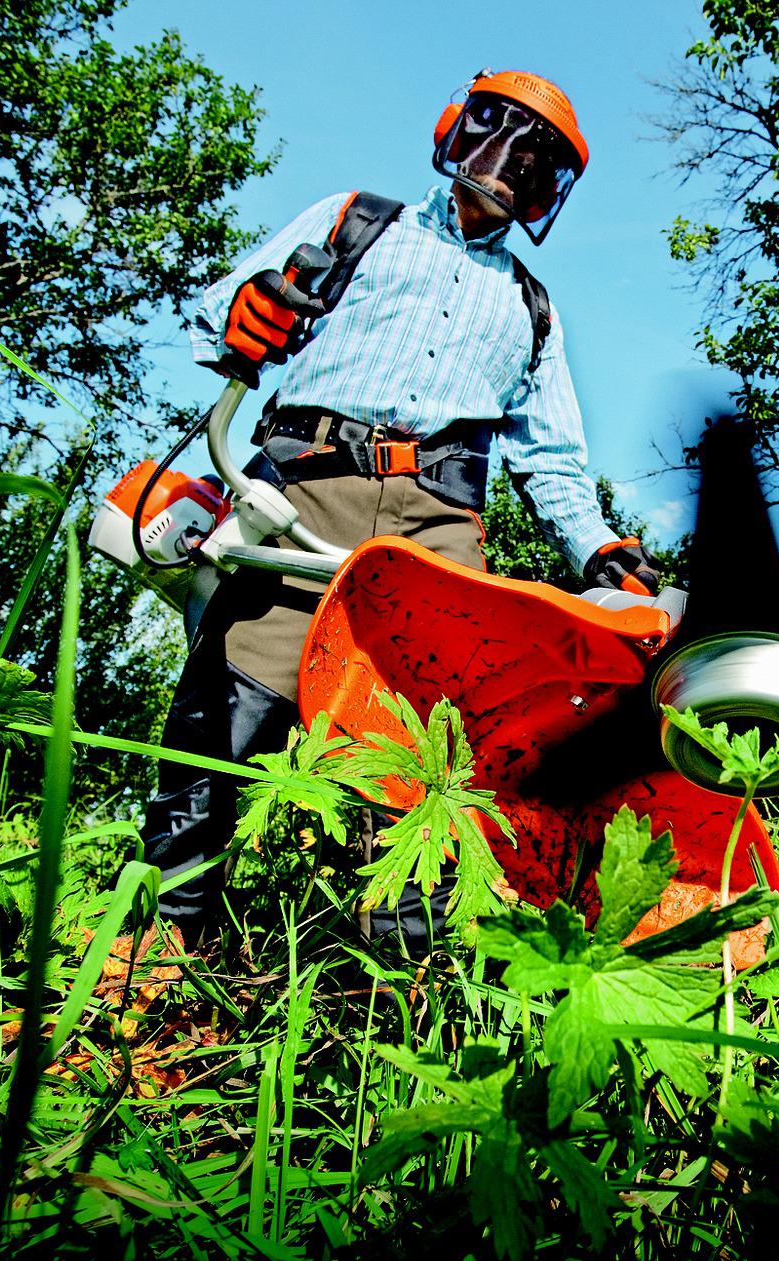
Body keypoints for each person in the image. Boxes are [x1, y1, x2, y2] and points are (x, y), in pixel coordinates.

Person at [139, 69, 660, 950]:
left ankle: (397, 977)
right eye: (495, 139)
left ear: (549, 193)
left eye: (535, 166)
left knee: (437, 746)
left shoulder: (532, 308)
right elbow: (218, 311)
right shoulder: (358, 221)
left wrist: (598, 547)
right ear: (456, 131)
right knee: (234, 703)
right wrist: (247, 311)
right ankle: (155, 945)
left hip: (437, 522)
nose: (506, 170)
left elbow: (554, 460)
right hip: (307, 482)